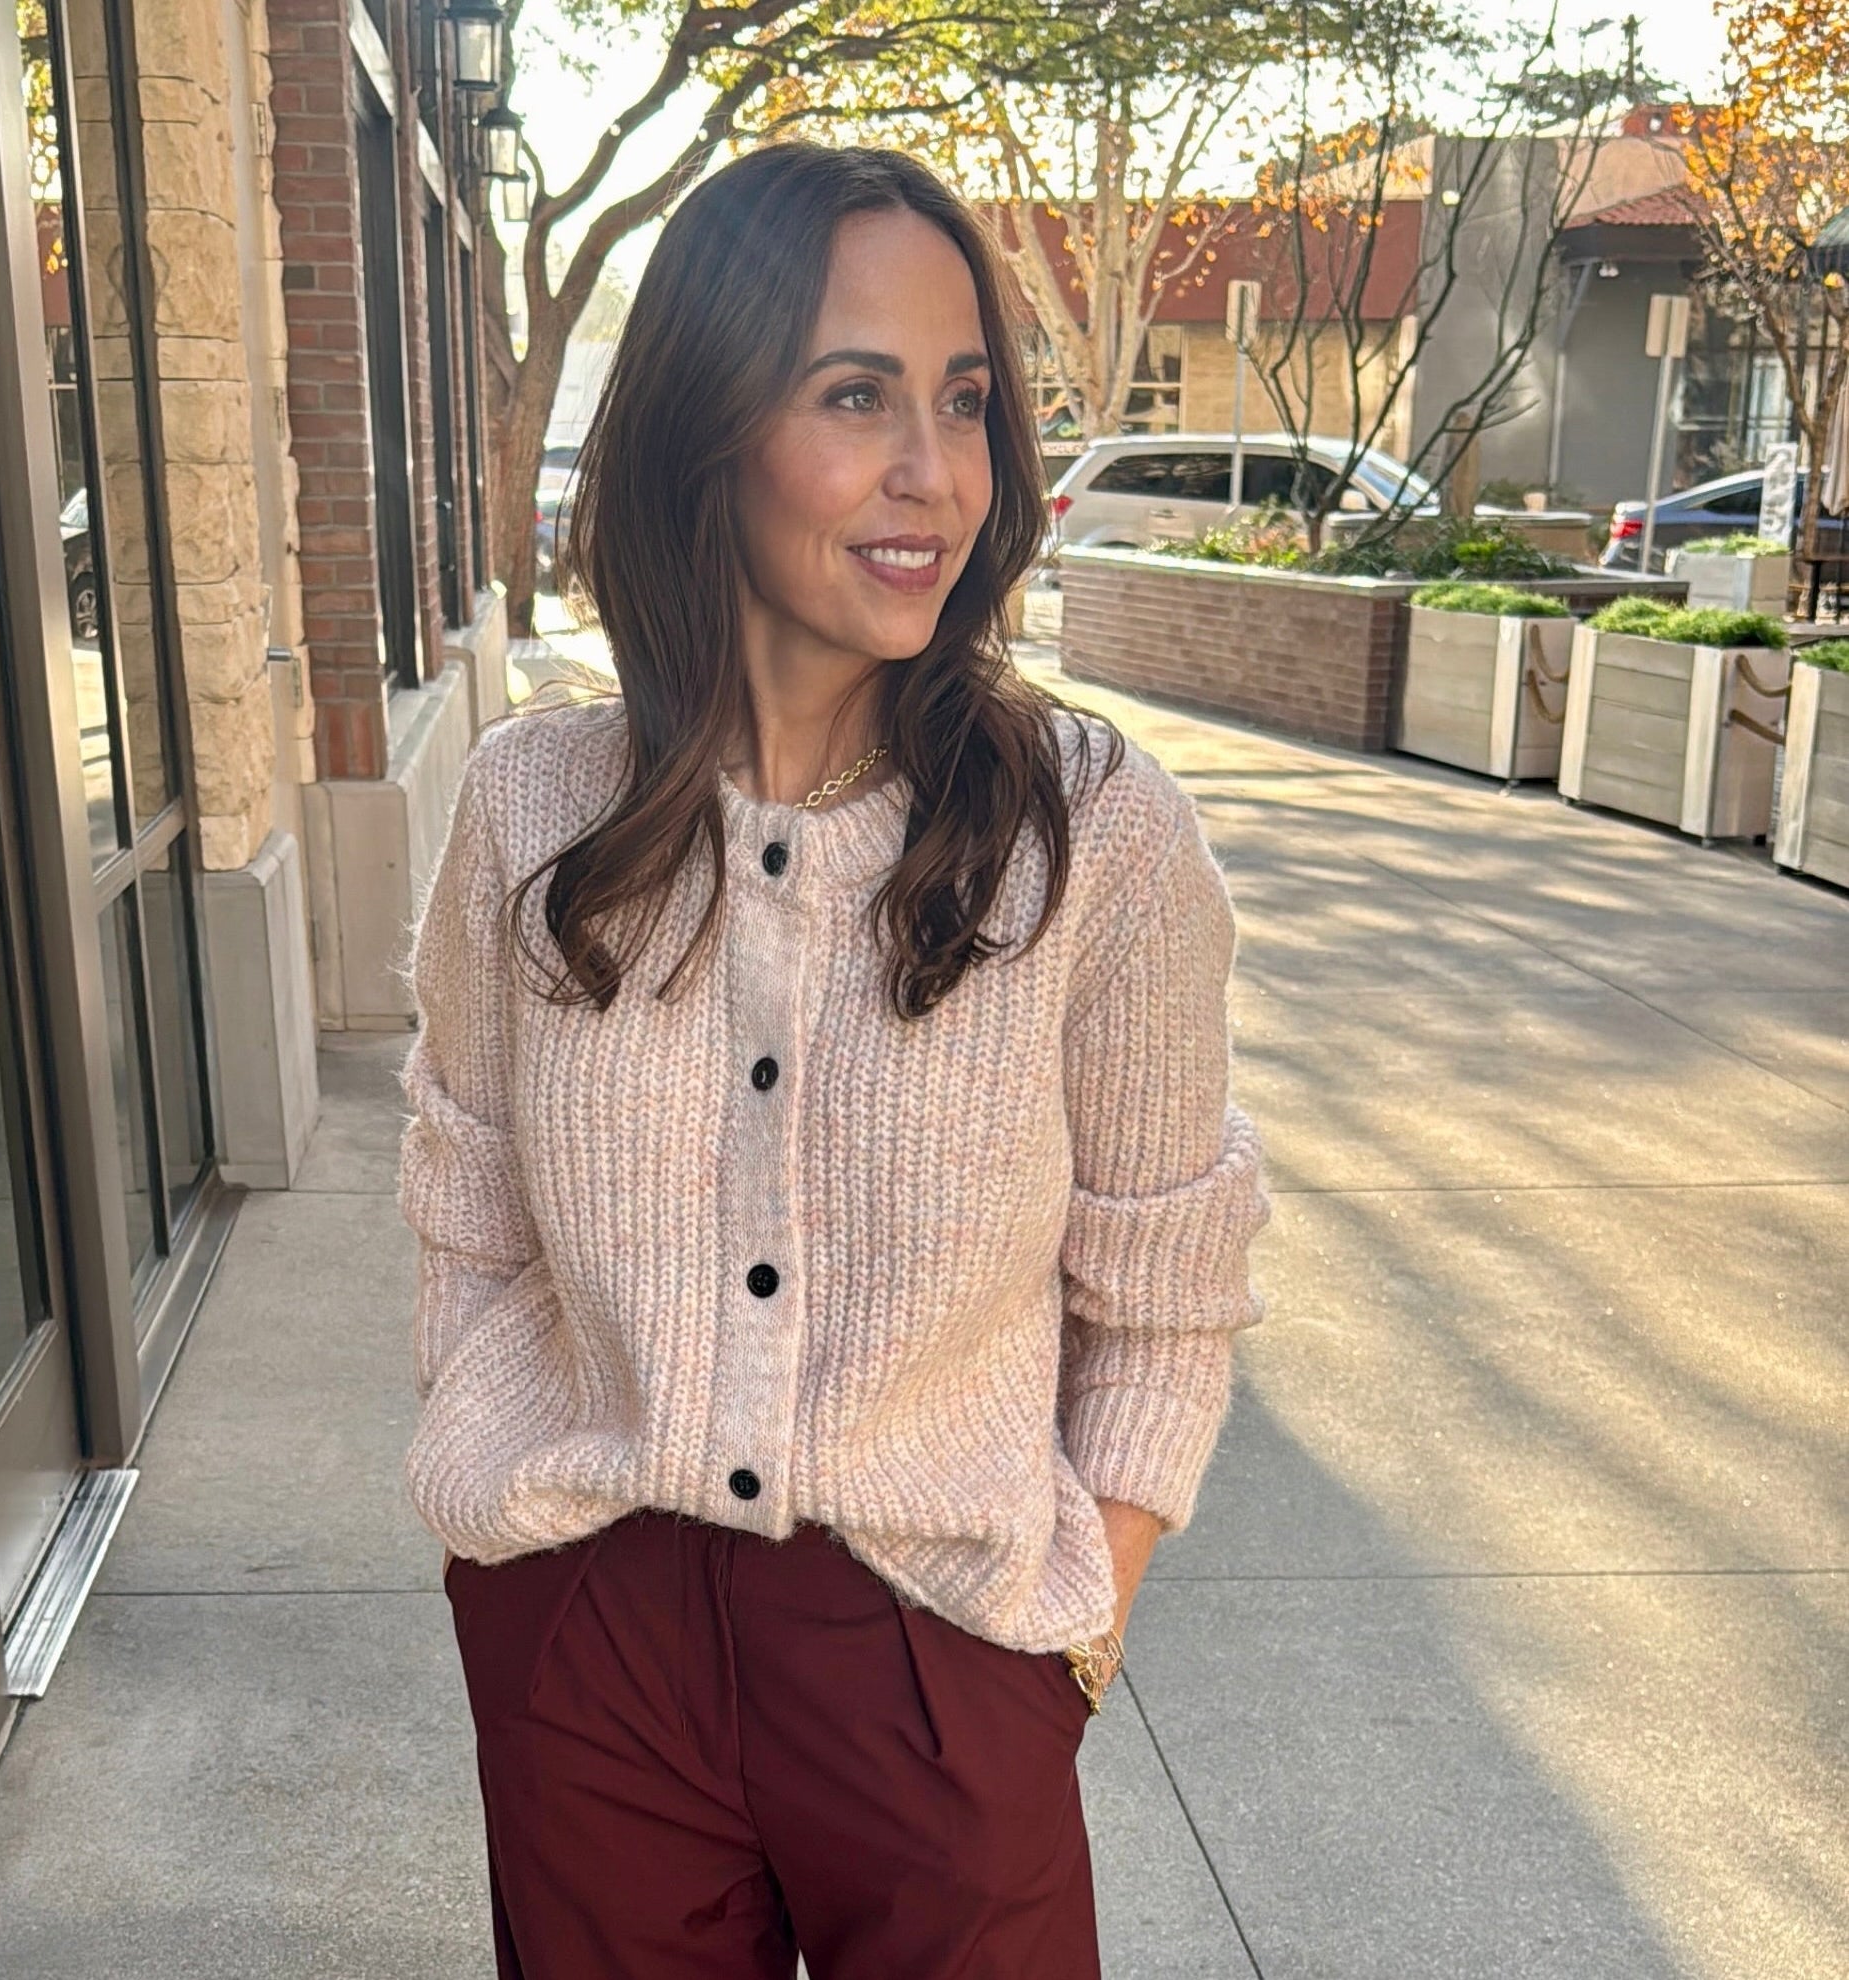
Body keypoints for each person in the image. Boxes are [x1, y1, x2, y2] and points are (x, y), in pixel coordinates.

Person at [398, 141, 1271, 1980]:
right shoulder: (531, 809)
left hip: (939, 1658)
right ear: (708, 428)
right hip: (593, 1638)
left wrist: (1071, 1637)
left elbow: (1165, 1283)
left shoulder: (1091, 838)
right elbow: (466, 1203)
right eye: (855, 395)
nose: (933, 475)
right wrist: (511, 1560)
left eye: (962, 402)